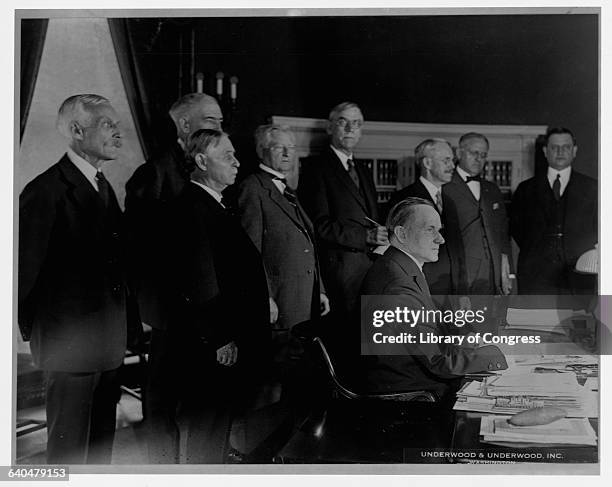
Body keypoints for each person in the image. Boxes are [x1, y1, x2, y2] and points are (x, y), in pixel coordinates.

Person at [18, 94, 128, 464]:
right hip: (69, 352)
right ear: (78, 131)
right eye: (107, 125)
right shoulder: (45, 191)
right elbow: (23, 277)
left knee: (99, 456)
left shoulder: (103, 187)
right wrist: (47, 337)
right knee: (67, 459)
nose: (118, 132)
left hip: (108, 347)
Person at [123, 93, 223, 463]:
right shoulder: (153, 175)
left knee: (207, 410)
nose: (220, 129)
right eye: (212, 120)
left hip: (207, 314)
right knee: (163, 411)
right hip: (173, 318)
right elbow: (141, 254)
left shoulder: (211, 169)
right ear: (184, 125)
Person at [164, 129, 270, 463]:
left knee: (217, 427)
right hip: (215, 343)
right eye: (227, 156)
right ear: (201, 161)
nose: (237, 162)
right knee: (209, 429)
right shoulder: (194, 207)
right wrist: (221, 337)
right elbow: (198, 282)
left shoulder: (213, 204)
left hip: (224, 337)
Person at [360, 198, 508, 399]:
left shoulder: (398, 266)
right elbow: (439, 362)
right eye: (430, 230)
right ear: (402, 234)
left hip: (410, 377)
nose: (441, 239)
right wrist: (500, 352)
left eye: (439, 230)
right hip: (410, 393)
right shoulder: (398, 284)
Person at [238, 124, 330, 348]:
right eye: (280, 147)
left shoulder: (288, 190)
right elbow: (250, 252)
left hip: (304, 299)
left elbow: (305, 244)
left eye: (291, 147)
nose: (289, 153)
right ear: (262, 150)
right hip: (279, 302)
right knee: (280, 371)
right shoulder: (253, 188)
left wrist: (320, 290)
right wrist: (264, 298)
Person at [298, 102, 388, 318]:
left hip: (370, 270)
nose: (350, 129)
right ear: (330, 128)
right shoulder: (316, 168)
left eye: (356, 124)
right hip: (340, 274)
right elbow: (319, 226)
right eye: (343, 122)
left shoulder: (363, 170)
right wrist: (365, 236)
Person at [510, 127, 597, 294]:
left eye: (566, 147)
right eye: (554, 147)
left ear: (574, 150)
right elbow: (517, 230)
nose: (560, 151)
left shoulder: (592, 188)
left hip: (578, 274)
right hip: (535, 275)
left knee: (577, 319)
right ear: (545, 151)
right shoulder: (525, 189)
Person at [442, 132, 512, 295]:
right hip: (460, 272)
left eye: (483, 155)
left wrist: (507, 271)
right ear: (459, 153)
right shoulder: (444, 186)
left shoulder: (492, 189)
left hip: (492, 271)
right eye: (474, 153)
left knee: (489, 317)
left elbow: (503, 233)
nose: (479, 159)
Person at [387, 138, 457, 296]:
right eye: (446, 160)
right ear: (427, 163)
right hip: (419, 287)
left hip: (450, 290)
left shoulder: (452, 200)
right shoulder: (404, 199)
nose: (452, 166)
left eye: (452, 160)